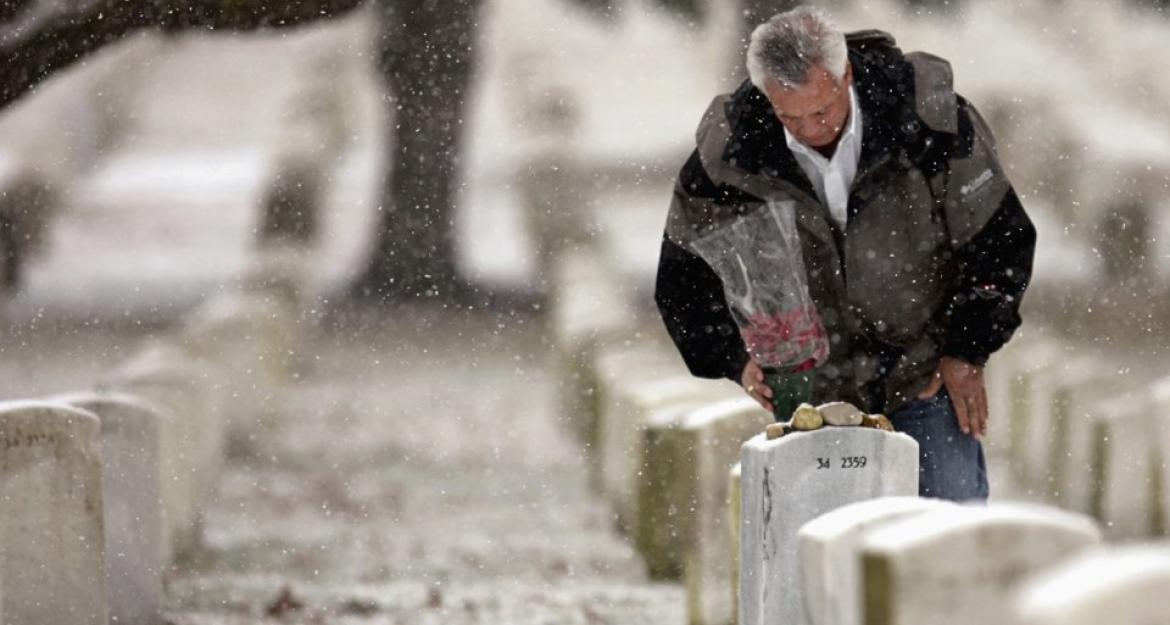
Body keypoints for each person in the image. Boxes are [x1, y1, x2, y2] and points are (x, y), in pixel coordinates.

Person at [654, 6, 1036, 501]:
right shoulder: (730, 155)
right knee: (817, 556)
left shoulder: (929, 124)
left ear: (846, 75)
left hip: (921, 376)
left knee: (946, 531)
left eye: (822, 111)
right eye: (788, 115)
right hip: (808, 399)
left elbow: (1000, 240)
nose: (810, 130)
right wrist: (731, 357)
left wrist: (967, 348)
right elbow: (682, 280)